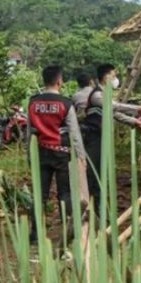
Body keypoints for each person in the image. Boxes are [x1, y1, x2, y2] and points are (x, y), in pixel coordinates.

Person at [27, 65, 88, 244]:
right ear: (59, 81)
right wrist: (81, 156)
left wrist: (28, 155)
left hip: (40, 152)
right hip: (61, 154)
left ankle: (35, 234)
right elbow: (74, 133)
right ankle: (69, 232)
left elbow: (29, 132)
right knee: (65, 193)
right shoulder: (65, 103)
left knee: (40, 194)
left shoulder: (33, 102)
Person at [80, 63, 141, 207]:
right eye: (114, 76)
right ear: (106, 77)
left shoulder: (103, 95)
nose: (116, 79)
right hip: (94, 138)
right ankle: (93, 207)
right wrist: (140, 109)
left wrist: (135, 122)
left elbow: (115, 114)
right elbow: (115, 106)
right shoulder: (97, 95)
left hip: (102, 138)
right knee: (95, 172)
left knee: (103, 171)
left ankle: (101, 205)